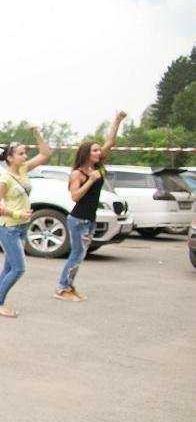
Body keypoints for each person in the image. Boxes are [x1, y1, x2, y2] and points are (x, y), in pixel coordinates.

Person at [55, 111, 126, 301]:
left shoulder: (97, 167)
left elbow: (110, 142)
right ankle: (62, 288)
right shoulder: (78, 173)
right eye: (94, 151)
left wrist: (117, 120)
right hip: (78, 219)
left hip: (90, 220)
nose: (98, 153)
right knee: (76, 254)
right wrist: (90, 181)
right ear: (86, 153)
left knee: (80, 255)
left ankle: (69, 286)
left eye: (98, 151)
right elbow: (75, 196)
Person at [0, 127, 53, 317]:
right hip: (8, 228)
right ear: (10, 158)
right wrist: (17, 214)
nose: (25, 156)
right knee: (19, 268)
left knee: (9, 267)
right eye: (21, 153)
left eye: (25, 153)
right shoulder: (4, 179)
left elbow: (45, 154)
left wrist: (37, 133)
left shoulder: (23, 170)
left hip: (21, 227)